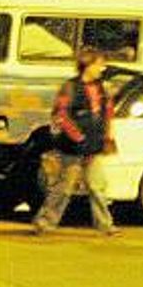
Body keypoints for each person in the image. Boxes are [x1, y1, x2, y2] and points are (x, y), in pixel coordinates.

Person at [33, 48, 119, 236]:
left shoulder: (102, 87)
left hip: (93, 146)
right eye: (99, 64)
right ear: (87, 65)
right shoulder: (70, 87)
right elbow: (60, 114)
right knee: (64, 188)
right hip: (72, 147)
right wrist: (78, 137)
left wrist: (108, 136)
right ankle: (44, 222)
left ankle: (105, 225)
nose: (102, 68)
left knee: (97, 185)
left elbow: (109, 112)